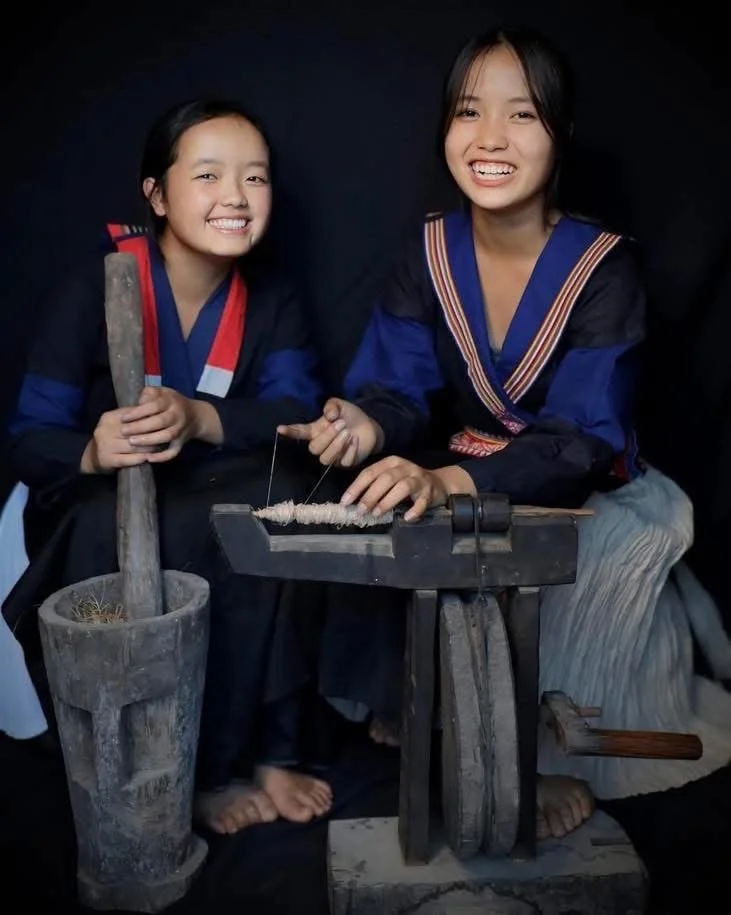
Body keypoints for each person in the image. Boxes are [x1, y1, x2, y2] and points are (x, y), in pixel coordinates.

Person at [279, 27, 731, 839]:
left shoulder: (602, 266)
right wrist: (361, 424)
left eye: (520, 114)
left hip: (592, 489)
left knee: (542, 575)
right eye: (467, 111)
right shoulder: (427, 251)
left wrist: (452, 481)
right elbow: (397, 388)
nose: (489, 138)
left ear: (558, 134)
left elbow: (585, 435)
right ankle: (424, 706)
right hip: (462, 464)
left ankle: (541, 755)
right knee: (381, 516)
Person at [4, 98, 334, 836]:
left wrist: (200, 417)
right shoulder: (99, 283)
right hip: (103, 495)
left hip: (214, 481)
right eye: (209, 175)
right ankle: (192, 768)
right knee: (149, 527)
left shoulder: (270, 294)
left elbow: (296, 412)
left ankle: (275, 750)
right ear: (156, 193)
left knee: (290, 498)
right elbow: (30, 435)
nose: (236, 198)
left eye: (255, 178)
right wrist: (92, 448)